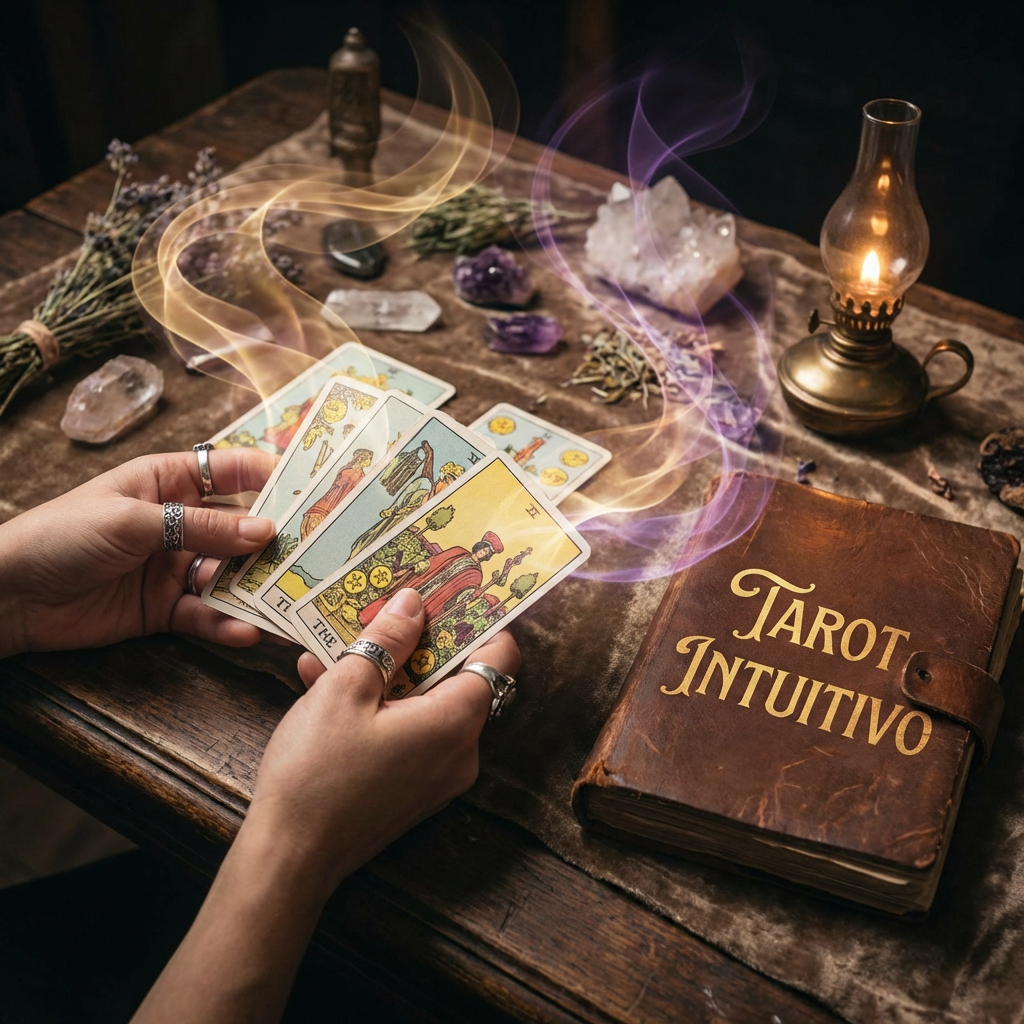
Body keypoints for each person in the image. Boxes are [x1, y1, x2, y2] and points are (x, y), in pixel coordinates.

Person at [0, 447, 519, 1024]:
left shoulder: (462, 566)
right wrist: (299, 845)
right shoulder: (452, 559)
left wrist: (13, 593)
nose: (483, 549)